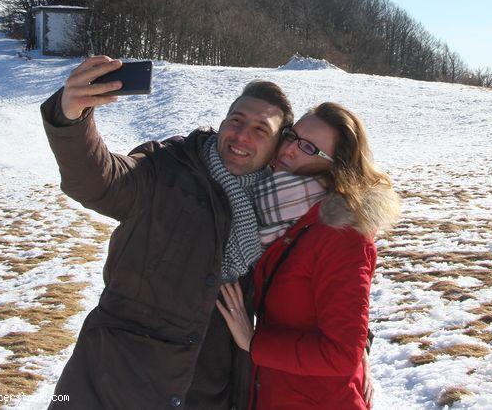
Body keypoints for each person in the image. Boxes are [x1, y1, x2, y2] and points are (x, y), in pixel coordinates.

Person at [40, 55, 293, 409]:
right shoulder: (167, 168)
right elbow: (99, 181)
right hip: (118, 384)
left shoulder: (281, 211)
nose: (241, 135)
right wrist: (71, 117)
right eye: (236, 121)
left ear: (277, 146)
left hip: (213, 392)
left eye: (260, 130)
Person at [217, 102, 400, 409]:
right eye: (291, 136)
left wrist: (253, 343)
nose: (287, 149)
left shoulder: (340, 236)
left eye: (308, 148)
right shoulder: (282, 221)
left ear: (335, 167)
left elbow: (341, 354)